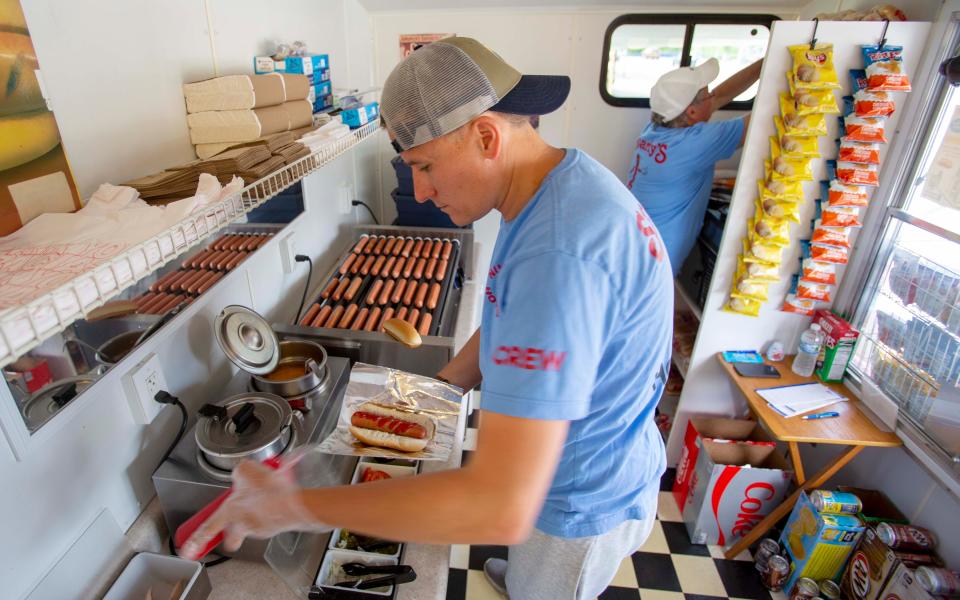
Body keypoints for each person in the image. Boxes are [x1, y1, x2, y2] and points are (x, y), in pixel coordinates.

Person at [182, 36, 673, 600]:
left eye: (423, 165)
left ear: (486, 136)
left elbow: (498, 507)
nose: (418, 190)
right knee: (527, 571)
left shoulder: (557, 254)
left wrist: (289, 507)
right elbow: (516, 321)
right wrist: (438, 389)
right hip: (592, 454)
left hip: (580, 495)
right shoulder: (554, 188)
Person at [626, 57, 763, 275]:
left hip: (636, 244)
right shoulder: (695, 142)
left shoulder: (654, 129)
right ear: (691, 112)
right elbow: (765, 119)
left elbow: (720, 95)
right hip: (657, 258)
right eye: (708, 94)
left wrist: (765, 64)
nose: (714, 96)